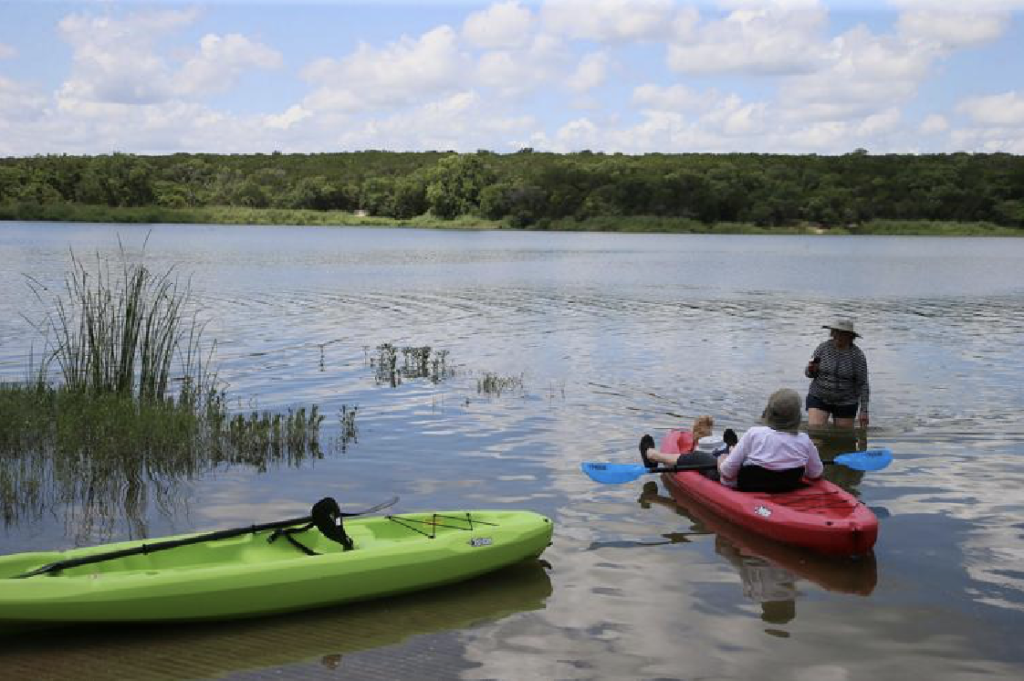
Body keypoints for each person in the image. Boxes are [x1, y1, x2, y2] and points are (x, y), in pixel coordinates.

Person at [640, 388, 823, 493]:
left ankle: (652, 455)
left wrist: (721, 461)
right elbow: (815, 474)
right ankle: (733, 446)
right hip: (785, 485)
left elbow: (727, 473)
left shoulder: (755, 433)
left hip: (743, 484)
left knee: (696, 457)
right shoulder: (805, 440)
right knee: (741, 455)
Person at [805, 318, 870, 429]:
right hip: (819, 395)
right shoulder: (822, 348)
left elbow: (863, 384)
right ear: (832, 333)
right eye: (836, 332)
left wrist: (864, 411)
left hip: (846, 400)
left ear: (851, 337)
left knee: (844, 437)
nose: (838, 336)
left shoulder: (858, 356)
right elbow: (808, 373)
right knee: (815, 431)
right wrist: (811, 370)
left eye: (843, 334)